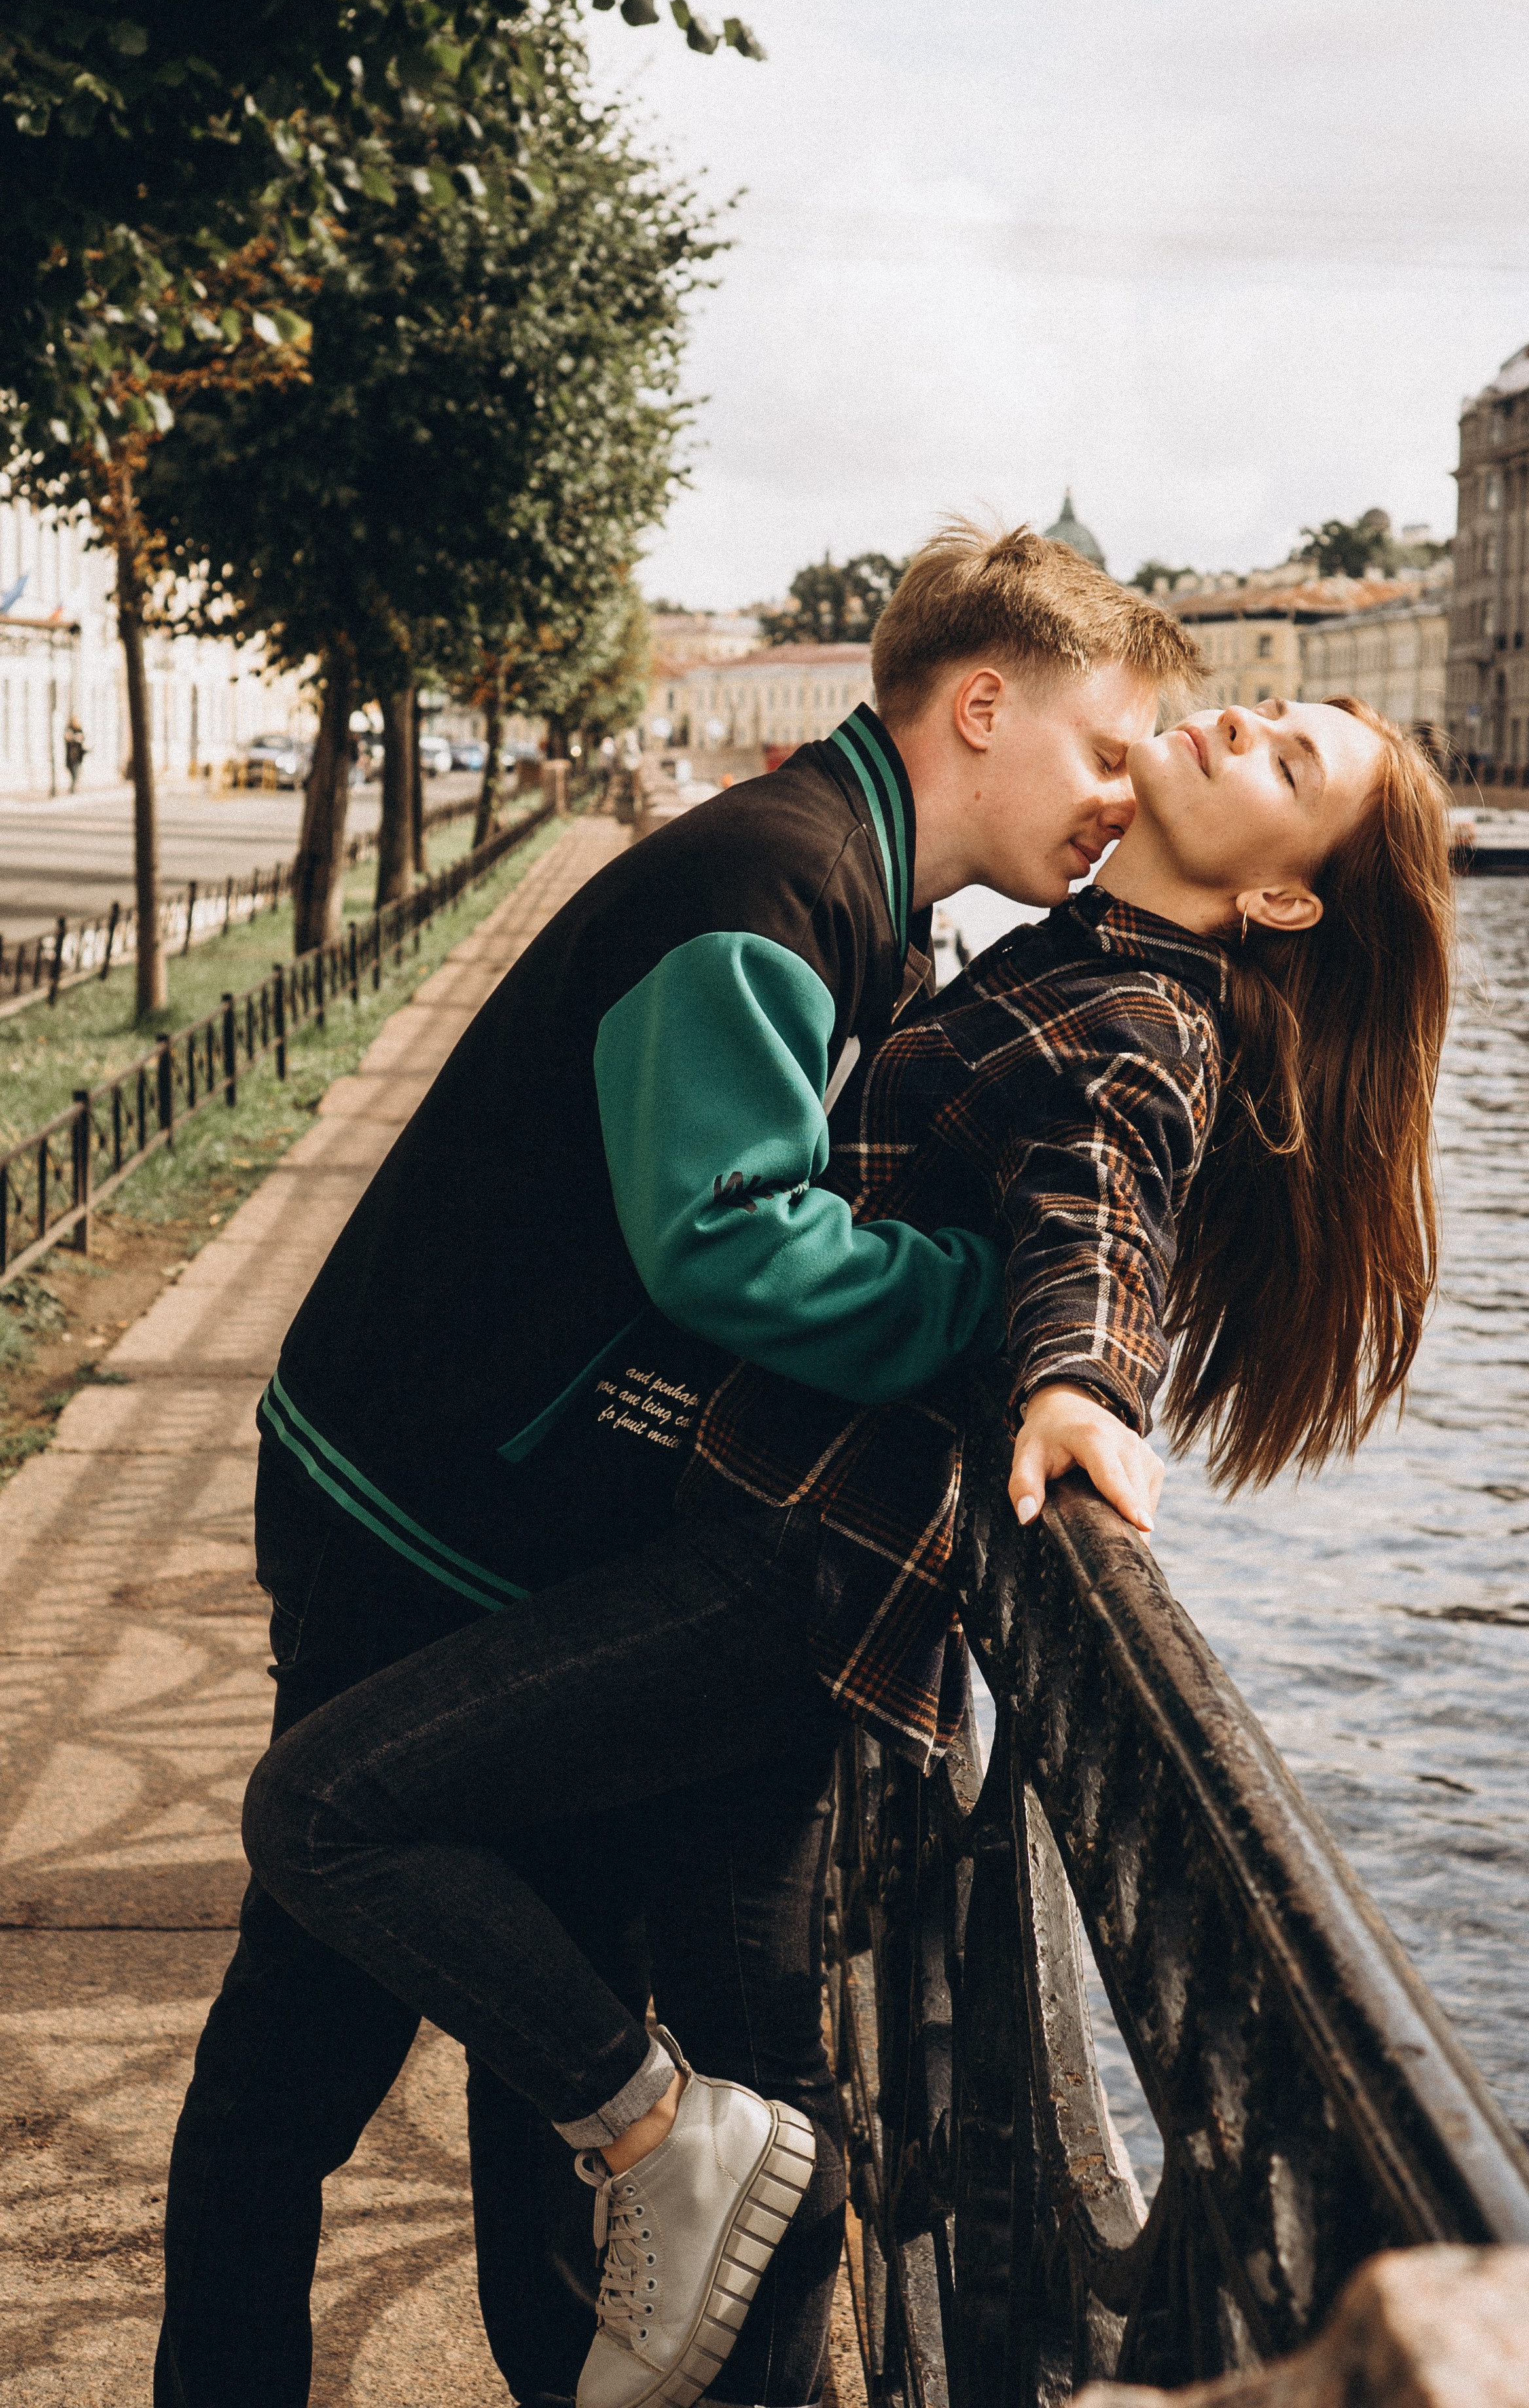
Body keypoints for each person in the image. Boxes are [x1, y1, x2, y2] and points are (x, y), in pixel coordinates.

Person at [236, 622, 1454, 2401]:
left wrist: (1079, 1383)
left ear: (1279, 900)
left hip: (786, 1577)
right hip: (773, 1563)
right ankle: (711, 2223)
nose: (1243, 723)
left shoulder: (1138, 1024)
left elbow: (1098, 1215)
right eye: (1269, 710)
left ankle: (648, 2128)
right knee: (773, 2083)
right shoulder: (1067, 949)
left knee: (326, 1809)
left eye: (1290, 760)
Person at [63, 718, 86, 792]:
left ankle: (73, 788)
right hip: (70, 757)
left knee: (76, 772)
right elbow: (67, 739)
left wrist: (77, 738)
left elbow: (83, 738)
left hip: (78, 756)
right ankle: (72, 787)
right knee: (72, 772)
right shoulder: (69, 729)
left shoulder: (79, 730)